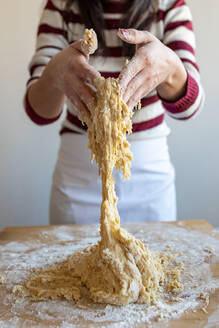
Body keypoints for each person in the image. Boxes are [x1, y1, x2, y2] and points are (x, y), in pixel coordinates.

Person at [24, 0, 204, 224]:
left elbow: (190, 108)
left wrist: (171, 69)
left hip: (149, 179)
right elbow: (38, 111)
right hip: (78, 176)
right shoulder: (61, 6)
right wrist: (54, 74)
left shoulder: (169, 6)